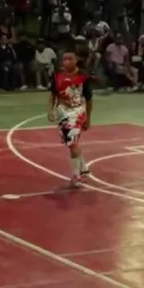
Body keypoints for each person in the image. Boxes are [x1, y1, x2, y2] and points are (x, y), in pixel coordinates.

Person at [49, 50, 94, 186]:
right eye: (64, 59)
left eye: (70, 59)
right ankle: (84, 168)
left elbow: (89, 100)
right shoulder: (57, 75)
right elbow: (53, 94)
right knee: (70, 143)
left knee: (72, 143)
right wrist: (51, 109)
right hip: (62, 112)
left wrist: (88, 118)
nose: (66, 62)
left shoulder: (83, 77)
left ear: (76, 60)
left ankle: (76, 176)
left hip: (77, 112)